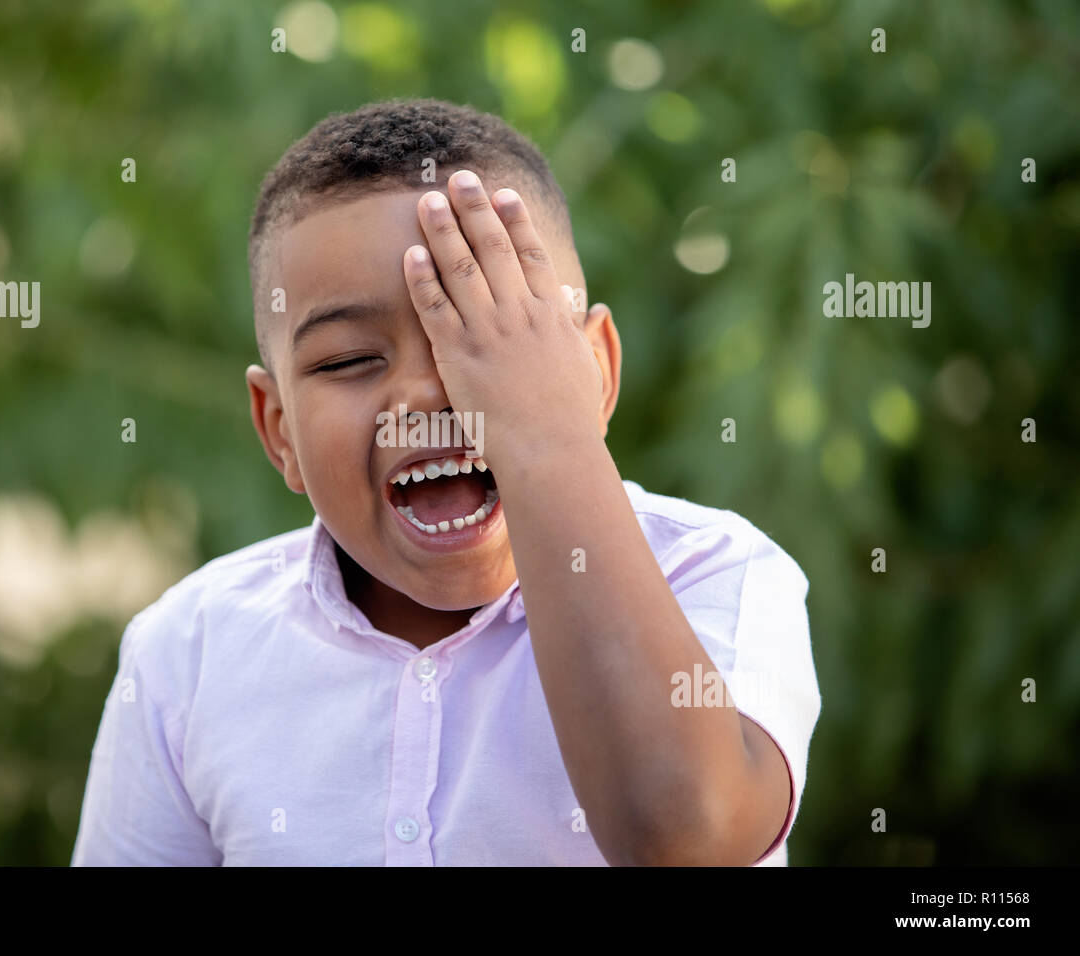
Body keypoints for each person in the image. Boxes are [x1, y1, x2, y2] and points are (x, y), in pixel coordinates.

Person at [71, 97, 820, 866]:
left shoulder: (717, 576)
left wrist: (547, 436)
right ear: (279, 430)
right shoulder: (188, 654)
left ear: (592, 373)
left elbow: (684, 835)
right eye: (348, 361)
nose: (428, 393)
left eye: (493, 333)